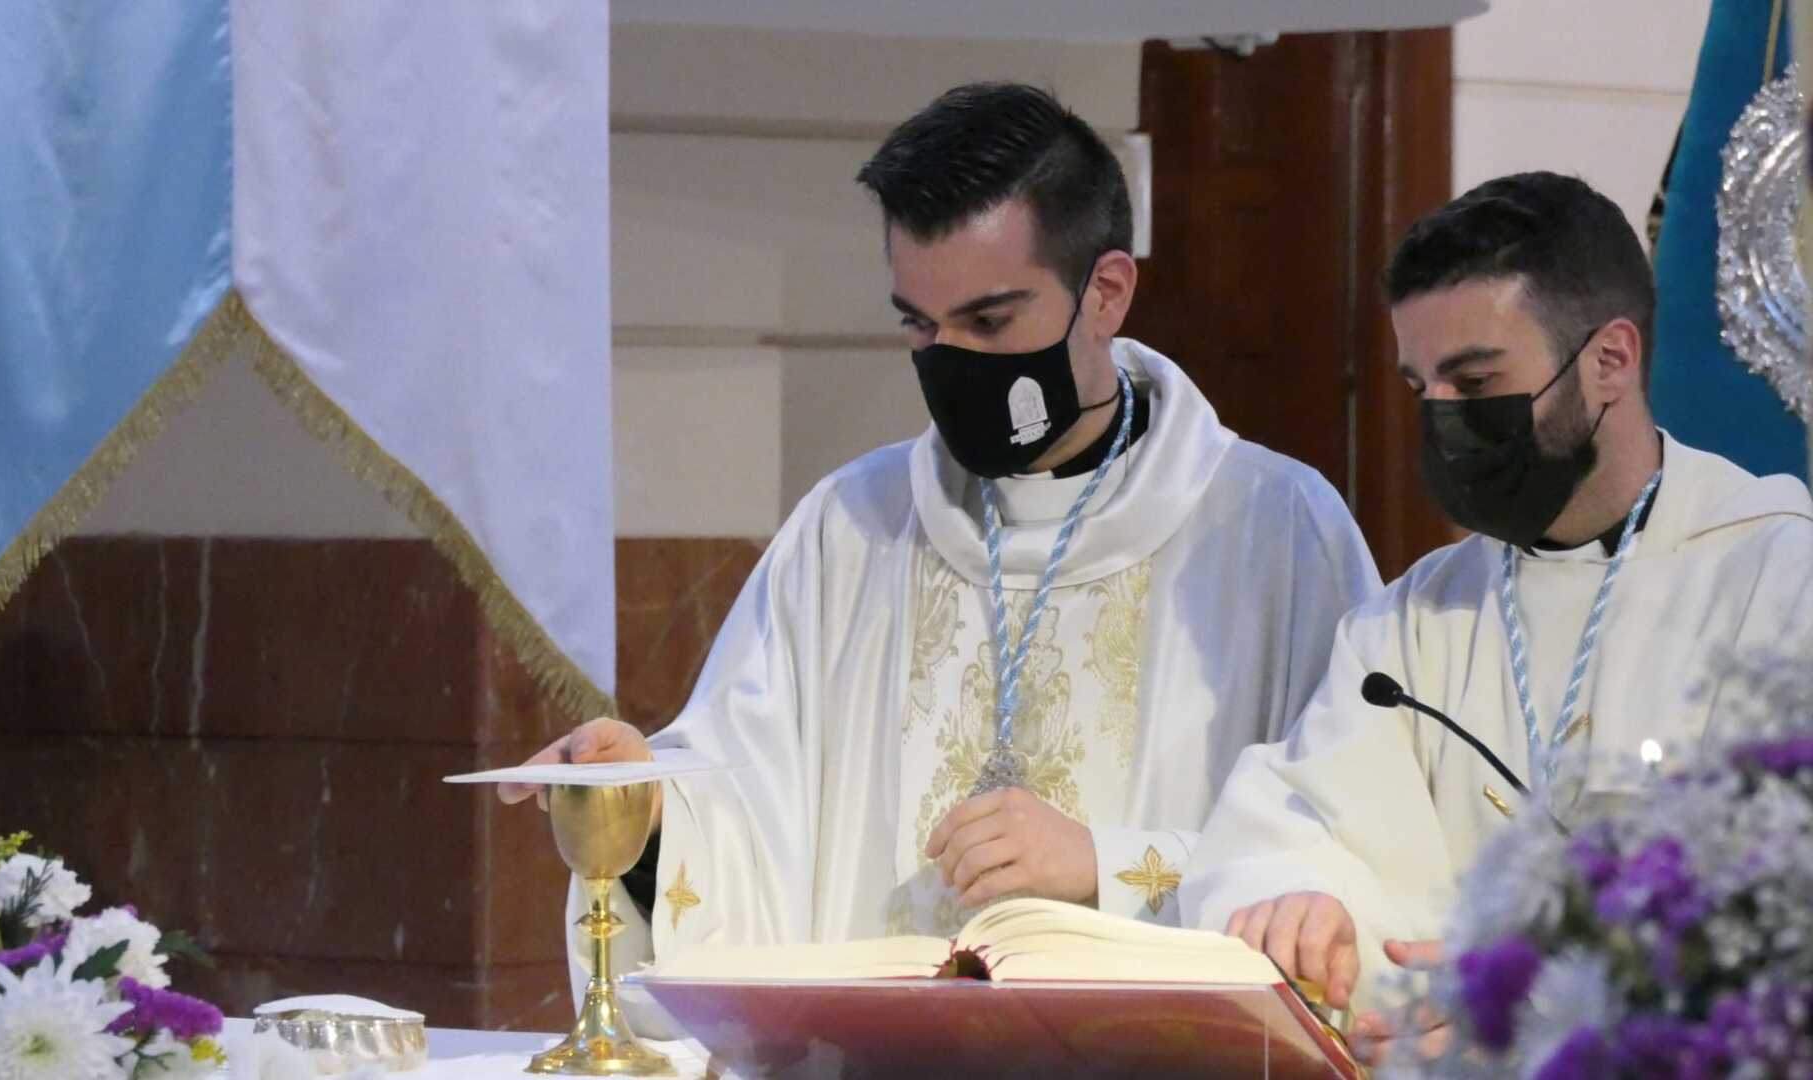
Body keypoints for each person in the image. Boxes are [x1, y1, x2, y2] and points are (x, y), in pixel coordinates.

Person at [502, 82, 1379, 1019]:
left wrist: (1108, 864)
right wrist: (648, 810)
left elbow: (1351, 850)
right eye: (921, 326)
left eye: (990, 322)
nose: (950, 359)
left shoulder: (1274, 530)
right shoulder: (853, 527)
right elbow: (753, 820)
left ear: (1107, 292)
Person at [1180, 172, 1813, 1056]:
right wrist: (1298, 902)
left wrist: (1573, 987)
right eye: (1421, 387)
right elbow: (1289, 828)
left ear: (1611, 361)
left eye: (1476, 380)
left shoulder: (1776, 579)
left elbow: (1785, 902)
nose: (1443, 421)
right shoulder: (1412, 623)